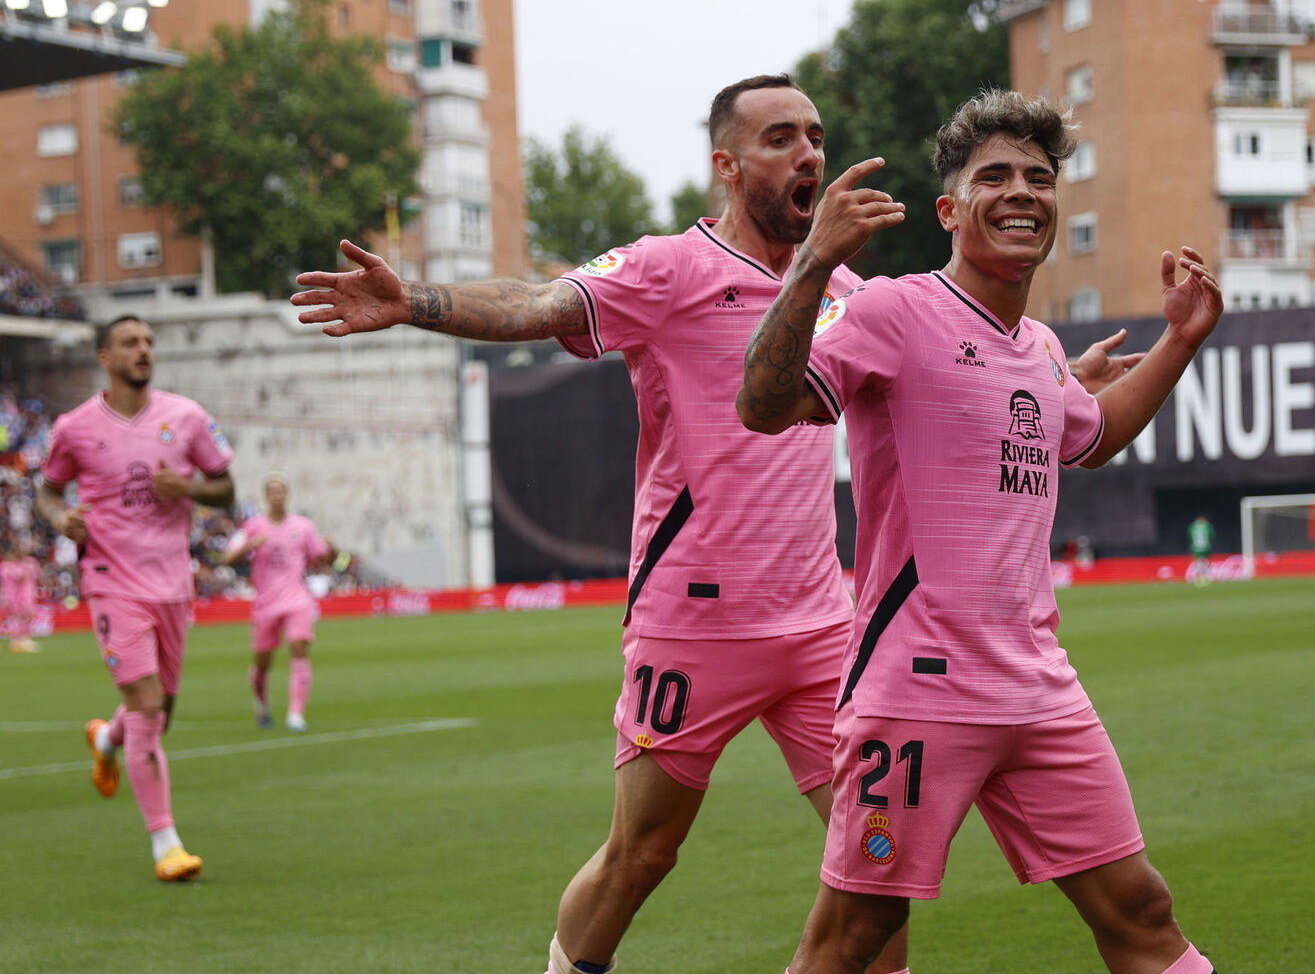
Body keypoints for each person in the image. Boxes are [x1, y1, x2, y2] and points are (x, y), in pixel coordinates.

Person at [292, 72, 1139, 974]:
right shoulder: (669, 268)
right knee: (642, 856)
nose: (808, 153)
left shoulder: (845, 288)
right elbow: (540, 304)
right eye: (779, 138)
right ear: (727, 165)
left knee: (877, 890)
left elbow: (949, 379)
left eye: (813, 135)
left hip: (824, 629)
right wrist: (415, 302)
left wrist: (1049, 385)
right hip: (695, 624)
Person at [739, 88, 1223, 974]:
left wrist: (1178, 342)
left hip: (1038, 689)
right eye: (993, 176)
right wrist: (811, 266)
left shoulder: (1037, 345)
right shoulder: (894, 310)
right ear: (949, 210)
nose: (1021, 192)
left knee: (1142, 911)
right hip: (917, 692)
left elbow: (1093, 433)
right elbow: (763, 404)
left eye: (1038, 178)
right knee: (852, 941)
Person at [37, 314, 237, 881]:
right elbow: (46, 495)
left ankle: (106, 737)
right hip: (110, 580)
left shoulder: (187, 416)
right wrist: (62, 519)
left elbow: (226, 489)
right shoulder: (73, 427)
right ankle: (166, 845)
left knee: (159, 714)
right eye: (130, 343)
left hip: (172, 584)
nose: (143, 350)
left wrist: (189, 488)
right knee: (149, 706)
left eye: (149, 341)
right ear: (105, 357)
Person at [222, 474, 334, 732]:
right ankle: (261, 703)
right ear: (266, 496)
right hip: (266, 602)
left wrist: (330, 549)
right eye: (272, 491)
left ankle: (296, 713)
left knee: (299, 647)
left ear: (287, 494)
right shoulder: (253, 526)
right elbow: (227, 558)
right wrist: (249, 546)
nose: (277, 495)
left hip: (297, 597)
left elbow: (321, 554)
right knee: (263, 662)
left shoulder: (303, 526)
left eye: (281, 490)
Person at [2, 535, 41, 653]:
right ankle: (17, 640)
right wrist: (27, 569)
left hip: (27, 593)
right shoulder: (7, 566)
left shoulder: (28, 562)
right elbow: (19, 577)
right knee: (17, 617)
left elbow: (35, 573)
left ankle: (25, 638)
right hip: (14, 595)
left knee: (27, 615)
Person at [1184, 515, 1214, 588]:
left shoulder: (1192, 526)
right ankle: (1205, 578)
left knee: (1197, 562)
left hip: (1196, 547)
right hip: (1206, 547)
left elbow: (1189, 536)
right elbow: (1211, 536)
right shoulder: (1208, 526)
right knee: (1205, 562)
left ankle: (1194, 578)